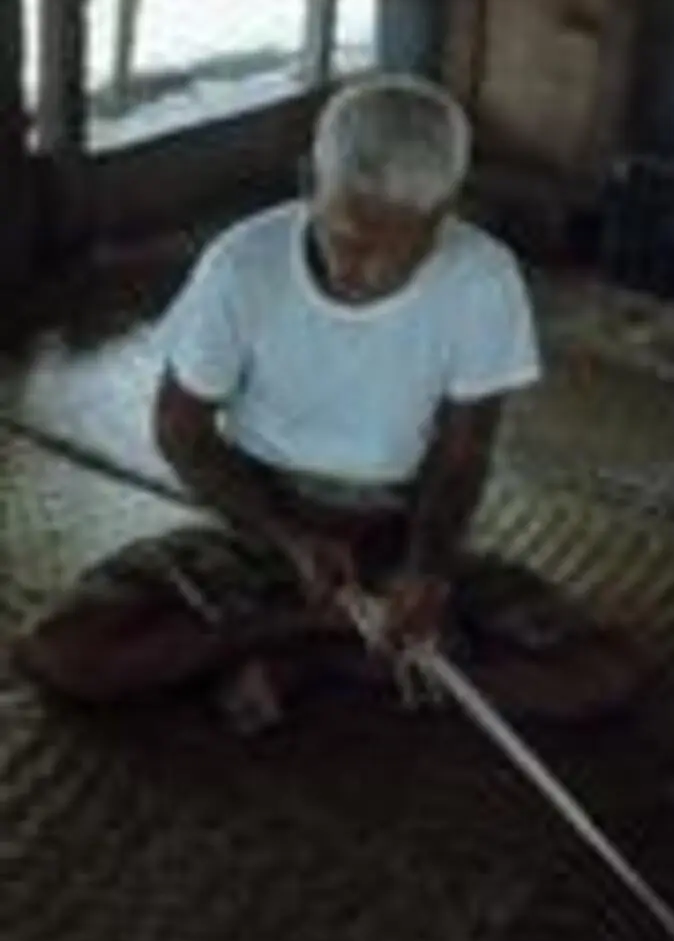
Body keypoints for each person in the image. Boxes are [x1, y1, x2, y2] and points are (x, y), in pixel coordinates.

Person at [15, 73, 545, 730]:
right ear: (307, 182)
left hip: (401, 527)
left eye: (397, 256)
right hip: (263, 520)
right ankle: (319, 634)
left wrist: (427, 567)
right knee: (65, 651)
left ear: (443, 216)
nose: (363, 273)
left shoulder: (482, 277)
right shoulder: (243, 266)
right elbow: (181, 430)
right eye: (347, 238)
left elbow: (465, 452)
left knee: (604, 669)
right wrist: (286, 535)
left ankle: (319, 663)